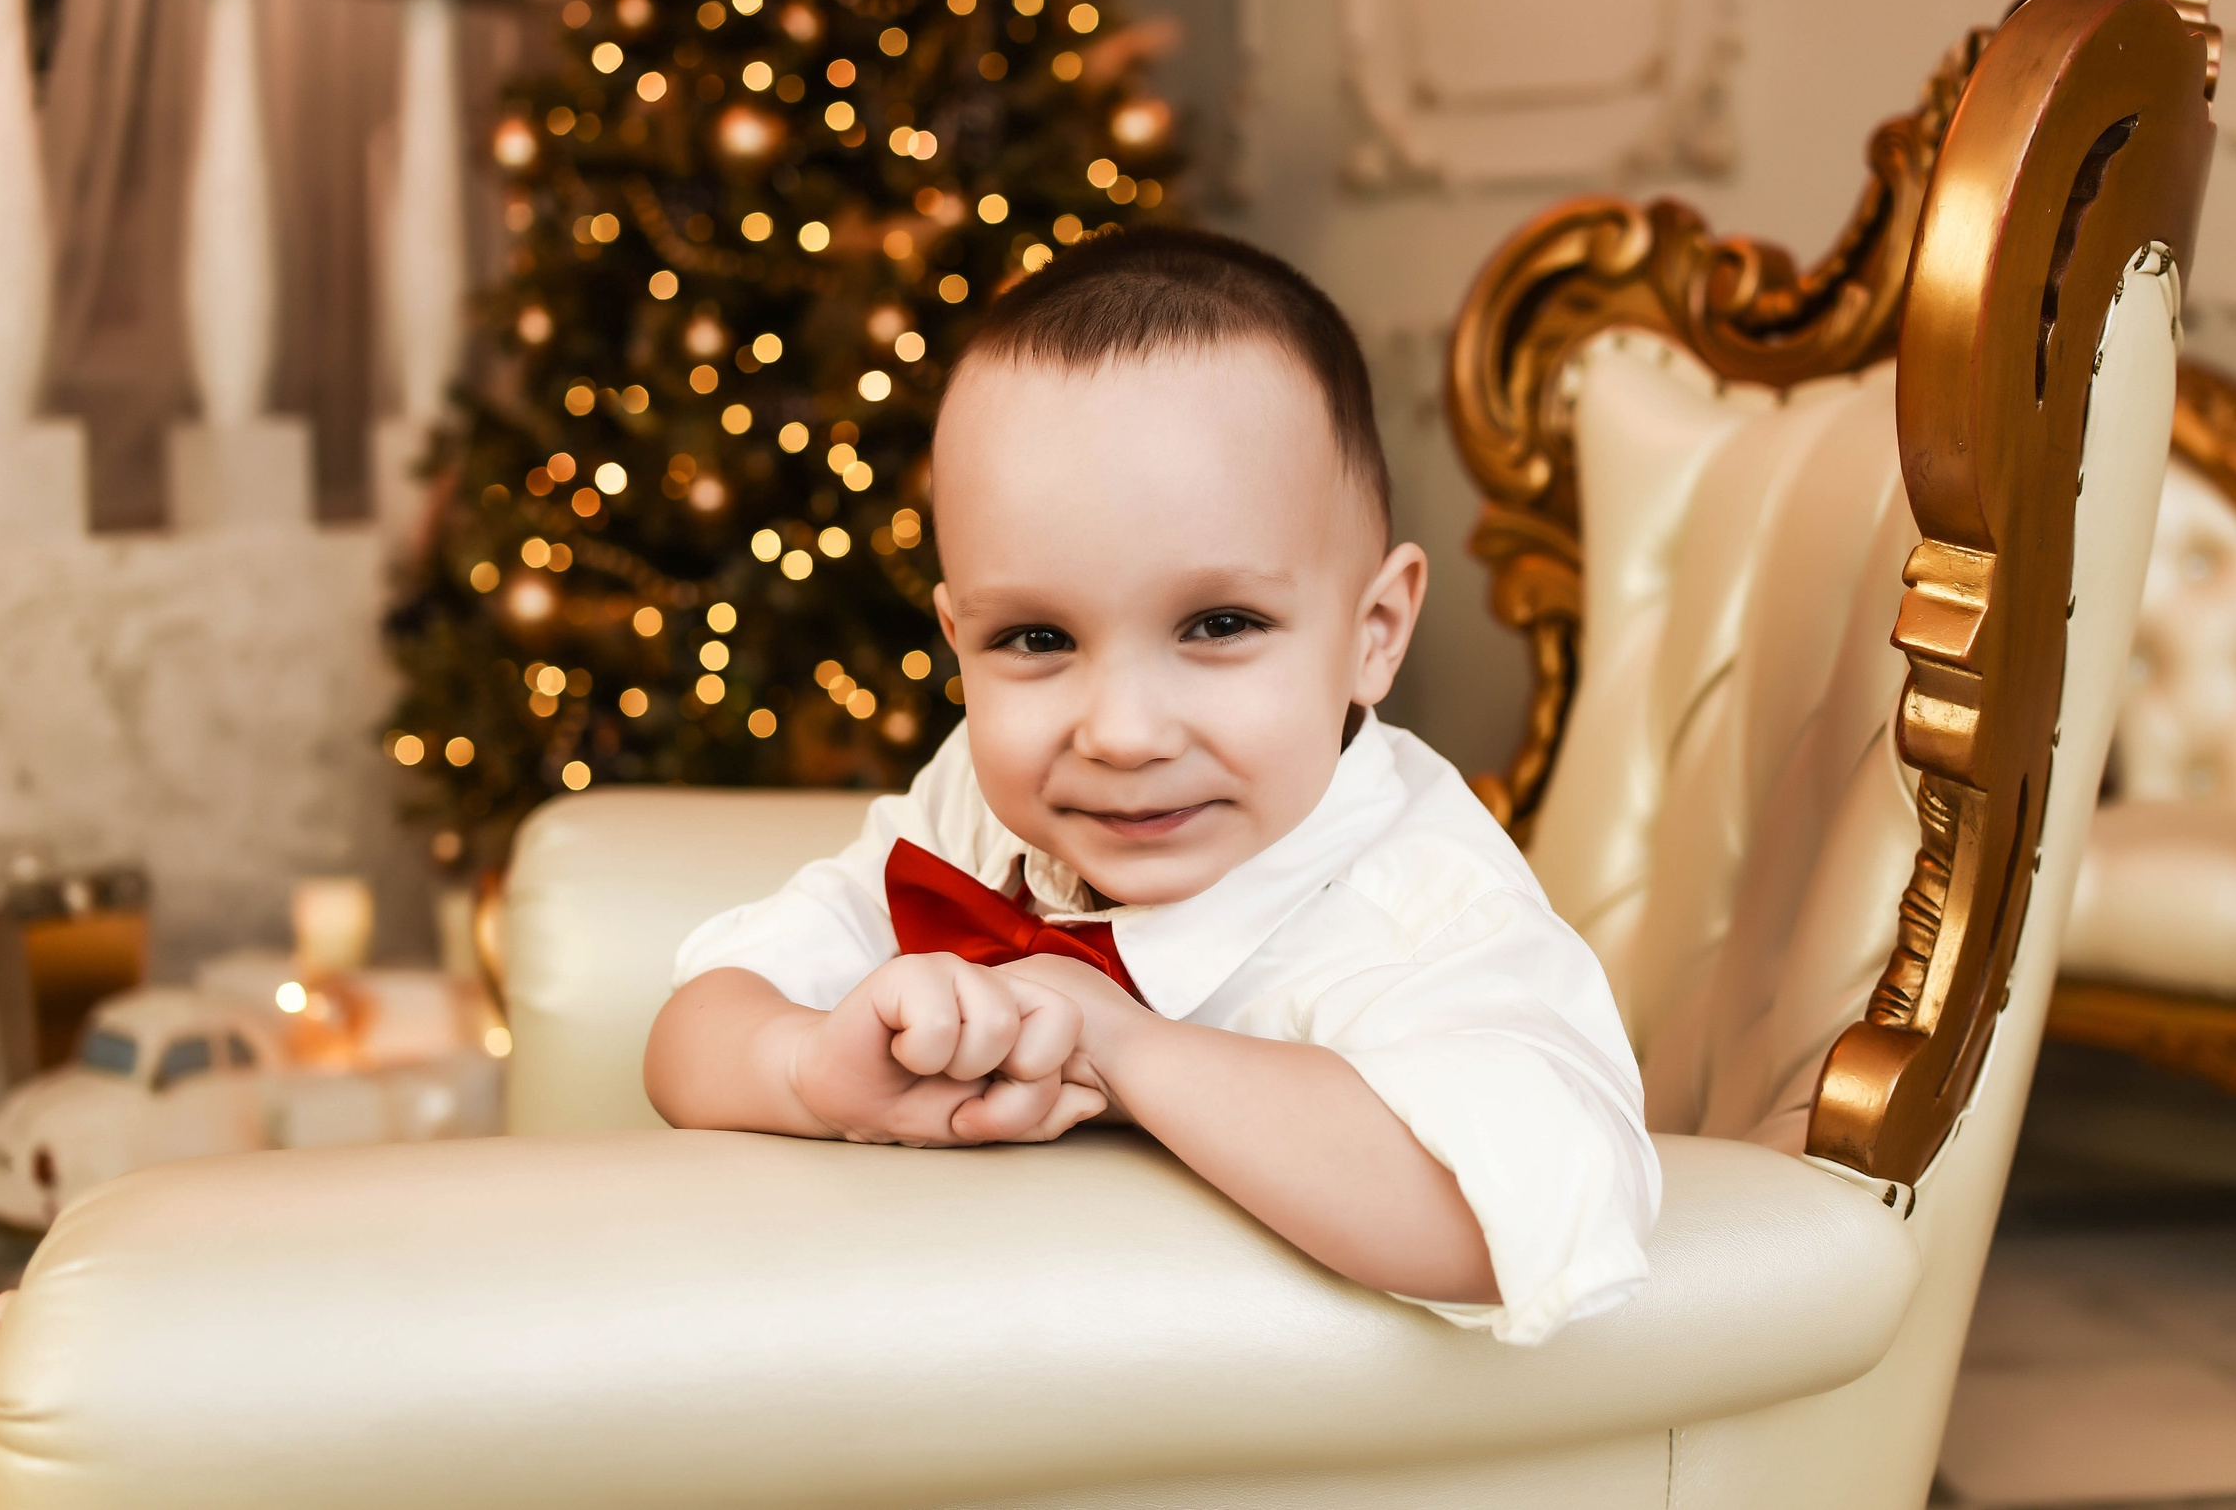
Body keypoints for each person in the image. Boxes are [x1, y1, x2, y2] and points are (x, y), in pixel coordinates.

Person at [644, 226, 1658, 1345]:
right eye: (1034, 637)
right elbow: (693, 1028)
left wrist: (1114, 1041)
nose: (1121, 733)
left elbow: (1510, 1214)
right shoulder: (978, 812)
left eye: (1218, 624)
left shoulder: (1421, 904)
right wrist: (807, 1069)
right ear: (956, 638)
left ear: (1374, 631)